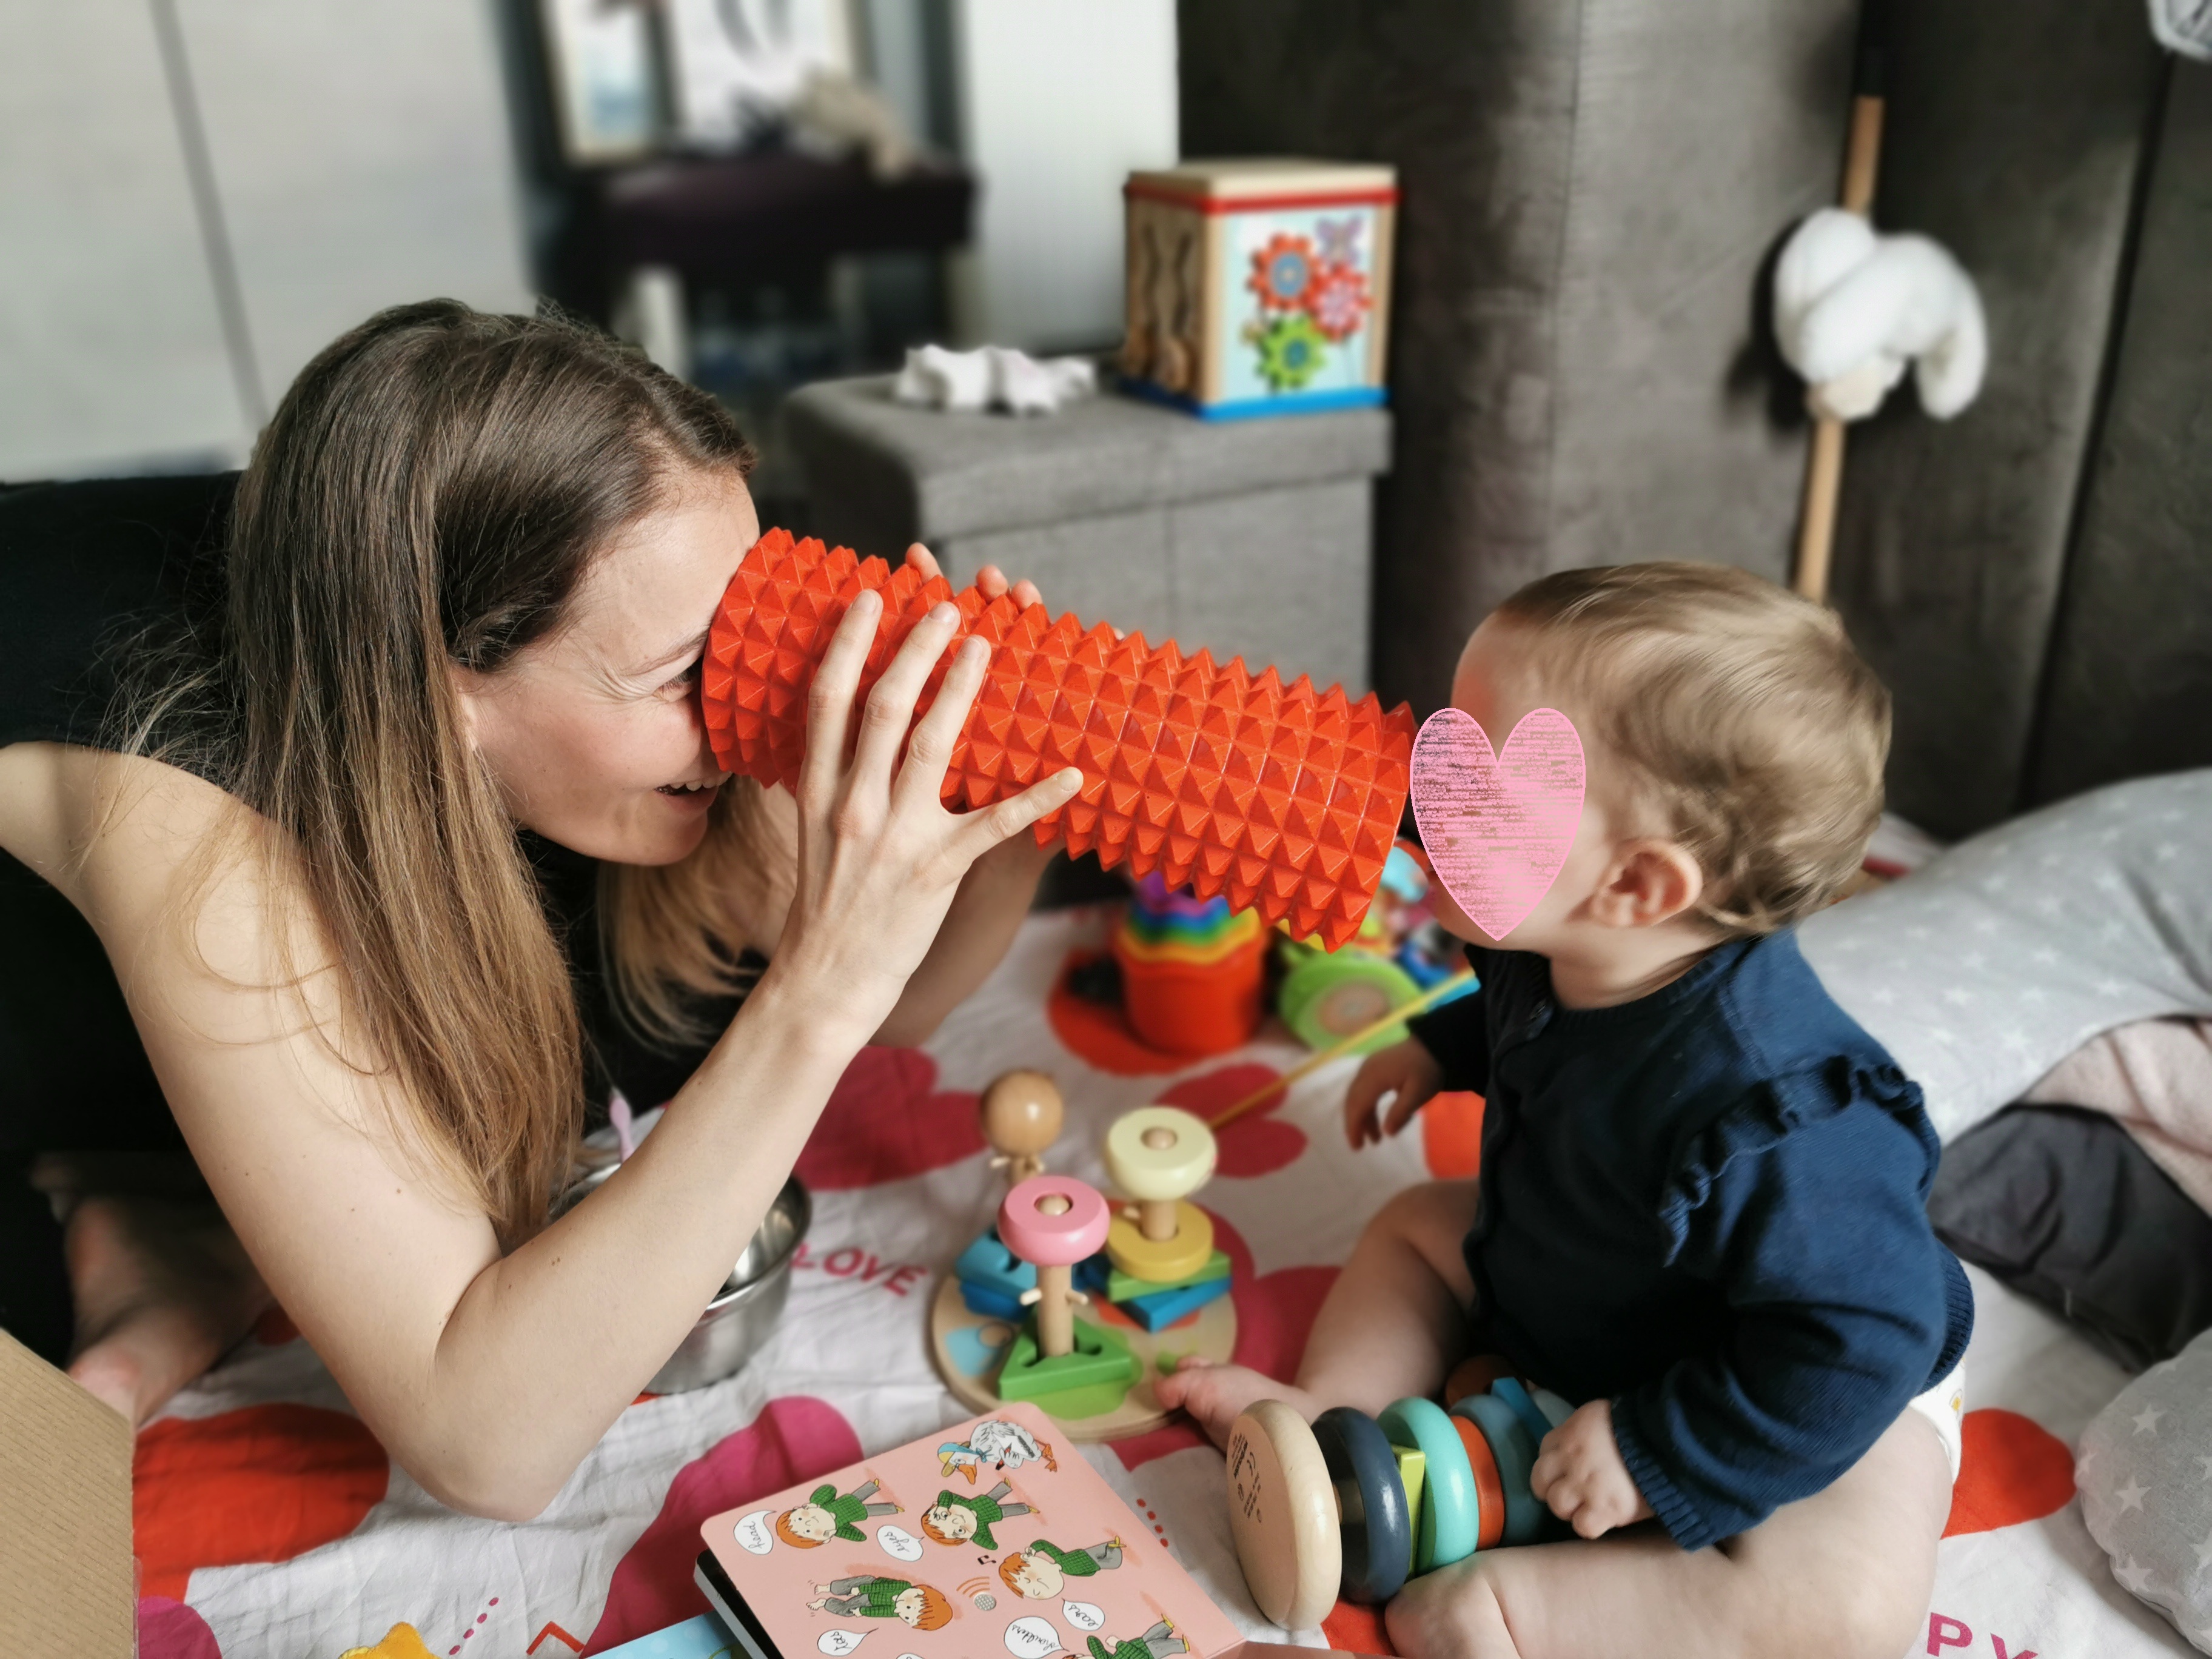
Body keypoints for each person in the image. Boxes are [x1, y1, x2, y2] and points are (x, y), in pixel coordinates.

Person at [0, 301, 1082, 1520]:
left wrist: (1005, 836)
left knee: (641, 1042)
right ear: (442, 696)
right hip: (40, 1027)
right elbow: (482, 1444)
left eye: (749, 628)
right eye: (685, 677)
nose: (739, 715)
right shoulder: (182, 813)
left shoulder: (566, 603)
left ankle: (189, 1242)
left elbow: (901, 1015)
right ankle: (156, 1223)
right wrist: (821, 985)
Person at [1158, 564, 1972, 1659]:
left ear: (1636, 887)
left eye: (1477, 780)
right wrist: (1436, 1045)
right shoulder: (1555, 947)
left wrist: (1656, 1451)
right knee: (1417, 1225)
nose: (1426, 789)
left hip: (1800, 1395)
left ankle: (1543, 1603)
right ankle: (1333, 1420)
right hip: (1603, 1284)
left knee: (1842, 1605)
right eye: (1444, 745)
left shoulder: (1779, 1123)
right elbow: (1537, 1023)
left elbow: (1871, 1333)